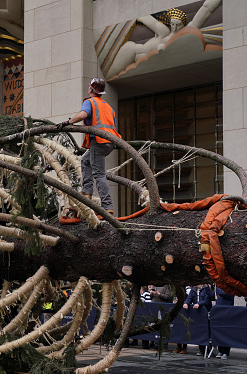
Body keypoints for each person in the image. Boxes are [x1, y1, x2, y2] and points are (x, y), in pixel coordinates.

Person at [107, 0, 222, 79]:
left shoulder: (185, 32)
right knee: (108, 74)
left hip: (141, 60)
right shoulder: (163, 32)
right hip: (131, 51)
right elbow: (146, 19)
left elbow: (206, 9)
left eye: (178, 25)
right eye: (172, 24)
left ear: (184, 24)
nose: (175, 27)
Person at [56, 78, 120, 215]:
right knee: (85, 161)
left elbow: (83, 115)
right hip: (110, 142)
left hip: (99, 141)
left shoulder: (89, 102)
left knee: (99, 174)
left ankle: (107, 206)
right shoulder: (108, 107)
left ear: (91, 89)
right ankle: (87, 193)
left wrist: (68, 122)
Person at [183, 284, 215, 356]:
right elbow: (189, 298)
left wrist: (199, 304)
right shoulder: (193, 290)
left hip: (205, 312)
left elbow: (207, 300)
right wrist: (186, 303)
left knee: (205, 330)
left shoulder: (205, 289)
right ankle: (201, 349)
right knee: (199, 331)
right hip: (197, 313)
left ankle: (207, 349)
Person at [215, 286, 234, 359]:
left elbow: (226, 294)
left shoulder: (230, 288)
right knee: (219, 331)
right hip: (219, 311)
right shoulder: (219, 288)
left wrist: (218, 288)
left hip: (227, 312)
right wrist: (207, 287)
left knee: (226, 332)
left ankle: (226, 352)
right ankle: (220, 350)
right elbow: (212, 295)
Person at [175, 286, 192, 353]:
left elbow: (188, 300)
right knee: (177, 329)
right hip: (177, 313)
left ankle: (184, 348)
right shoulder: (176, 294)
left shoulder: (186, 294)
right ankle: (178, 347)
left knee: (184, 330)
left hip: (185, 313)